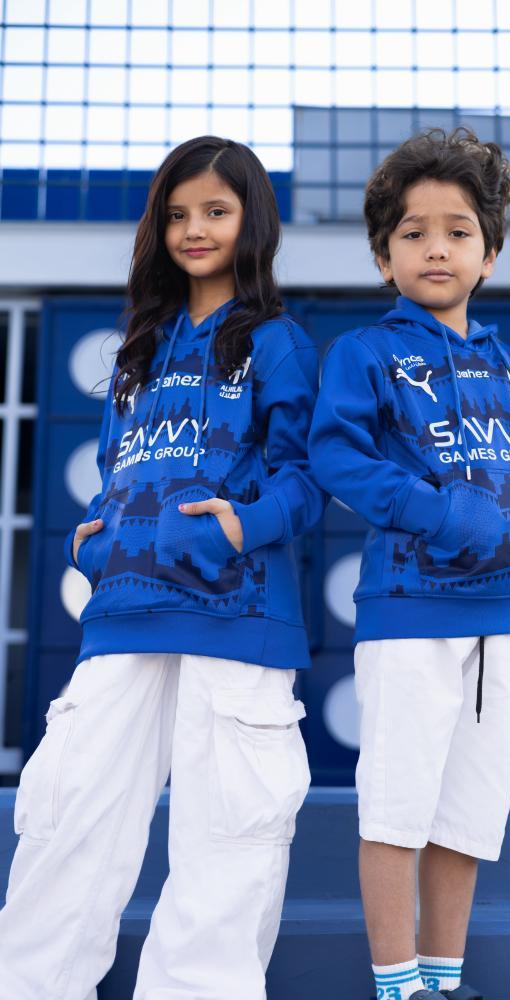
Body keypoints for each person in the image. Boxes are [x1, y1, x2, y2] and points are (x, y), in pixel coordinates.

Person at [0, 136, 323, 1000]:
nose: (194, 229)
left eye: (216, 210)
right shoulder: (136, 351)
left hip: (236, 613)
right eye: (177, 214)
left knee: (229, 839)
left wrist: (239, 526)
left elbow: (304, 480)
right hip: (124, 612)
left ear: (253, 221)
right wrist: (89, 542)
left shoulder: (279, 344)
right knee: (67, 818)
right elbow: (117, 470)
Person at [308, 127, 510, 1000]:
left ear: (489, 254)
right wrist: (442, 510)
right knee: (397, 810)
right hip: (410, 613)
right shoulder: (365, 354)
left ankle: (443, 982)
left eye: (458, 231)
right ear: (383, 257)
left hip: (505, 627)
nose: (436, 247)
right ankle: (397, 988)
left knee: (466, 820)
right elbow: (336, 457)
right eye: (414, 232)